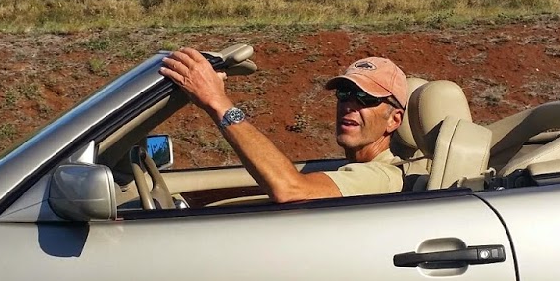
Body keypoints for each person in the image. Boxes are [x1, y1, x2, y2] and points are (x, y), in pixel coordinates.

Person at [159, 48, 409, 203]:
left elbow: (290, 189)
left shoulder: (380, 176)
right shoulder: (357, 169)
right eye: (344, 93)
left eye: (366, 98)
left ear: (394, 120)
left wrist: (217, 102)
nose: (349, 105)